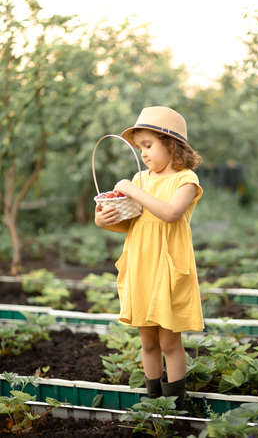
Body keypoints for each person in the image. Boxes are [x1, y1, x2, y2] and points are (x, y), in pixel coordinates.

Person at [95, 106, 204, 407]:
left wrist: (133, 189)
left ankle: (176, 402)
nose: (142, 154)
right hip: (141, 266)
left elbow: (169, 213)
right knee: (147, 340)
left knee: (169, 339)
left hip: (167, 268)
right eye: (139, 147)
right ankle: (153, 399)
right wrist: (105, 219)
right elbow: (131, 221)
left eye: (148, 145)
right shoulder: (140, 179)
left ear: (171, 144)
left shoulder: (185, 180)